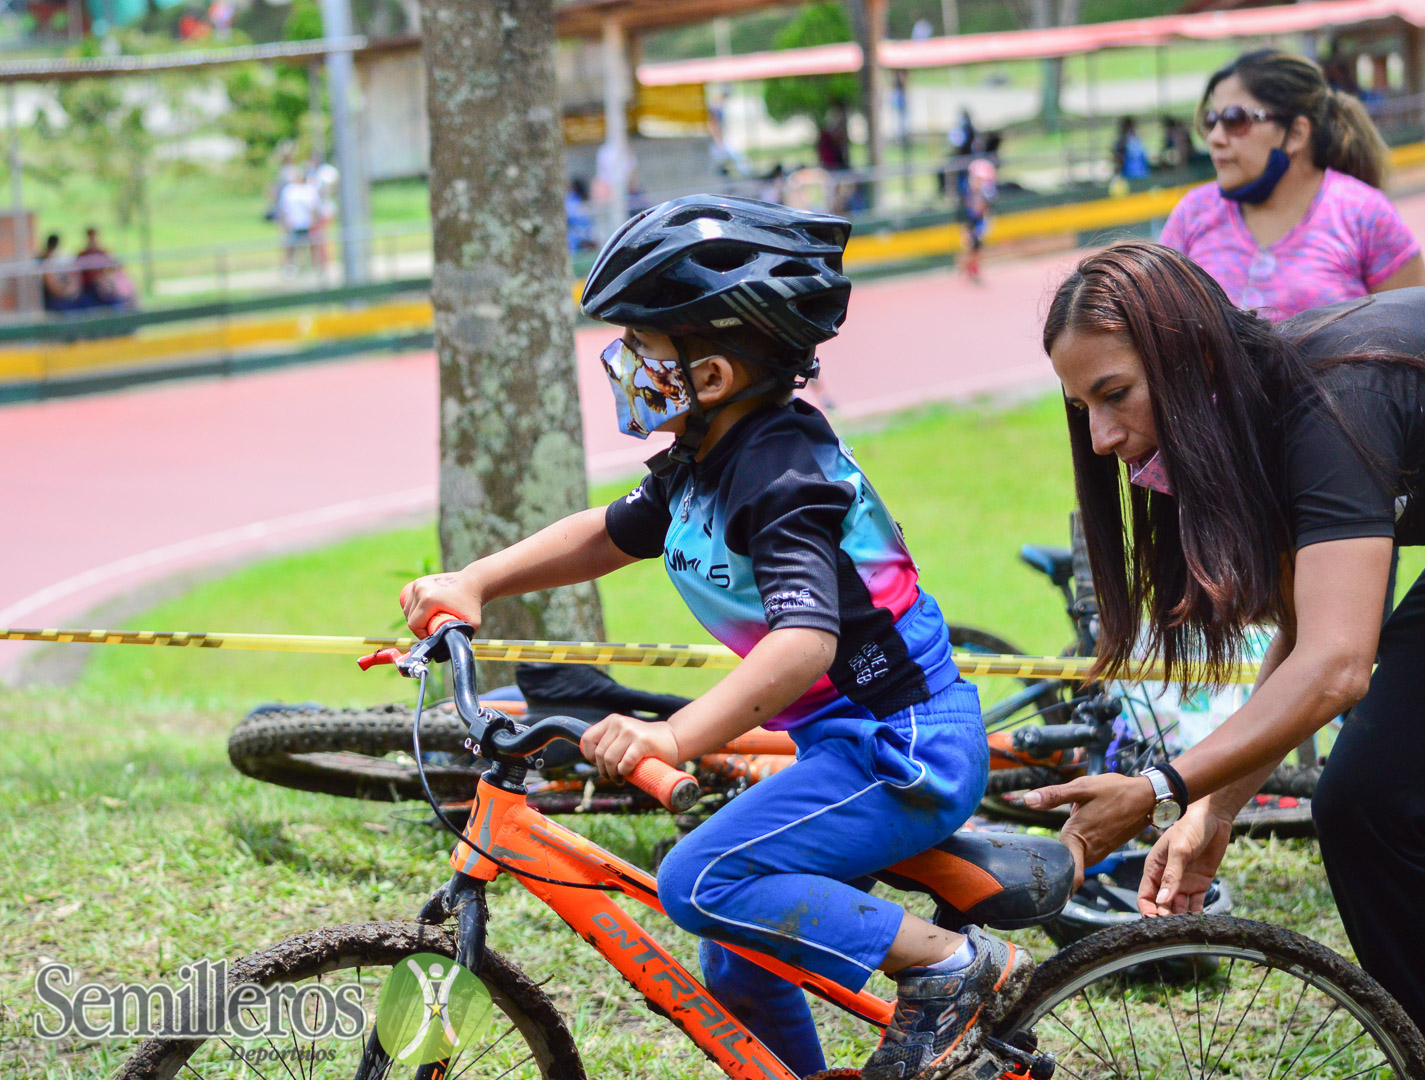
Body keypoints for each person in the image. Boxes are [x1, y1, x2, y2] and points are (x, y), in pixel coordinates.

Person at [399, 196, 1028, 1080]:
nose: (621, 366)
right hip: (843, 747)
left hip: (902, 750)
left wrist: (672, 733)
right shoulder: (709, 459)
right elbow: (610, 532)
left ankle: (951, 967)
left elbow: (804, 643)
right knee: (738, 964)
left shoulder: (781, 475)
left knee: (700, 882)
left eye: (640, 349)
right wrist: (477, 582)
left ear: (718, 375)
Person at [1031, 239, 1425, 1080]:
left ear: (1186, 355)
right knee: (1365, 801)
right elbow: (1303, 630)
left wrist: (1157, 787)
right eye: (1083, 409)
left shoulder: (1332, 398)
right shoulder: (1255, 406)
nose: (1104, 436)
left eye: (1115, 395)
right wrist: (1213, 812)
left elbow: (1339, 667)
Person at [1160, 49, 1425, 323]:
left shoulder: (1364, 214)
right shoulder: (1193, 213)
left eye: (1235, 119)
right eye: (1210, 121)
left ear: (1296, 134)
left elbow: (1422, 333)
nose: (1215, 138)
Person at [960, 157, 996, 283]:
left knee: (977, 250)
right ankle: (968, 269)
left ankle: (973, 270)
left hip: (978, 224)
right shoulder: (968, 193)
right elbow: (972, 211)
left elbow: (984, 209)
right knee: (971, 249)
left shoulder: (984, 193)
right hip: (972, 224)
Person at [276, 175, 319, 277]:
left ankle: (309, 267)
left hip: (305, 223)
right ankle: (289, 268)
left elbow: (313, 208)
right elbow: (284, 209)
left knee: (306, 247)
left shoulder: (308, 190)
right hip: (293, 223)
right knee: (290, 247)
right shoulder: (289, 191)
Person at [36, 232, 81, 312]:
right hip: (53, 299)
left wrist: (69, 290)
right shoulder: (45, 261)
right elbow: (50, 284)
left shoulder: (60, 258)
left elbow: (72, 276)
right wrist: (62, 292)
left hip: (64, 292)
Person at [1111, 116, 1150, 182]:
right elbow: (1117, 158)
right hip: (1128, 176)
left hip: (1141, 174)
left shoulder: (1137, 140)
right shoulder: (1122, 141)